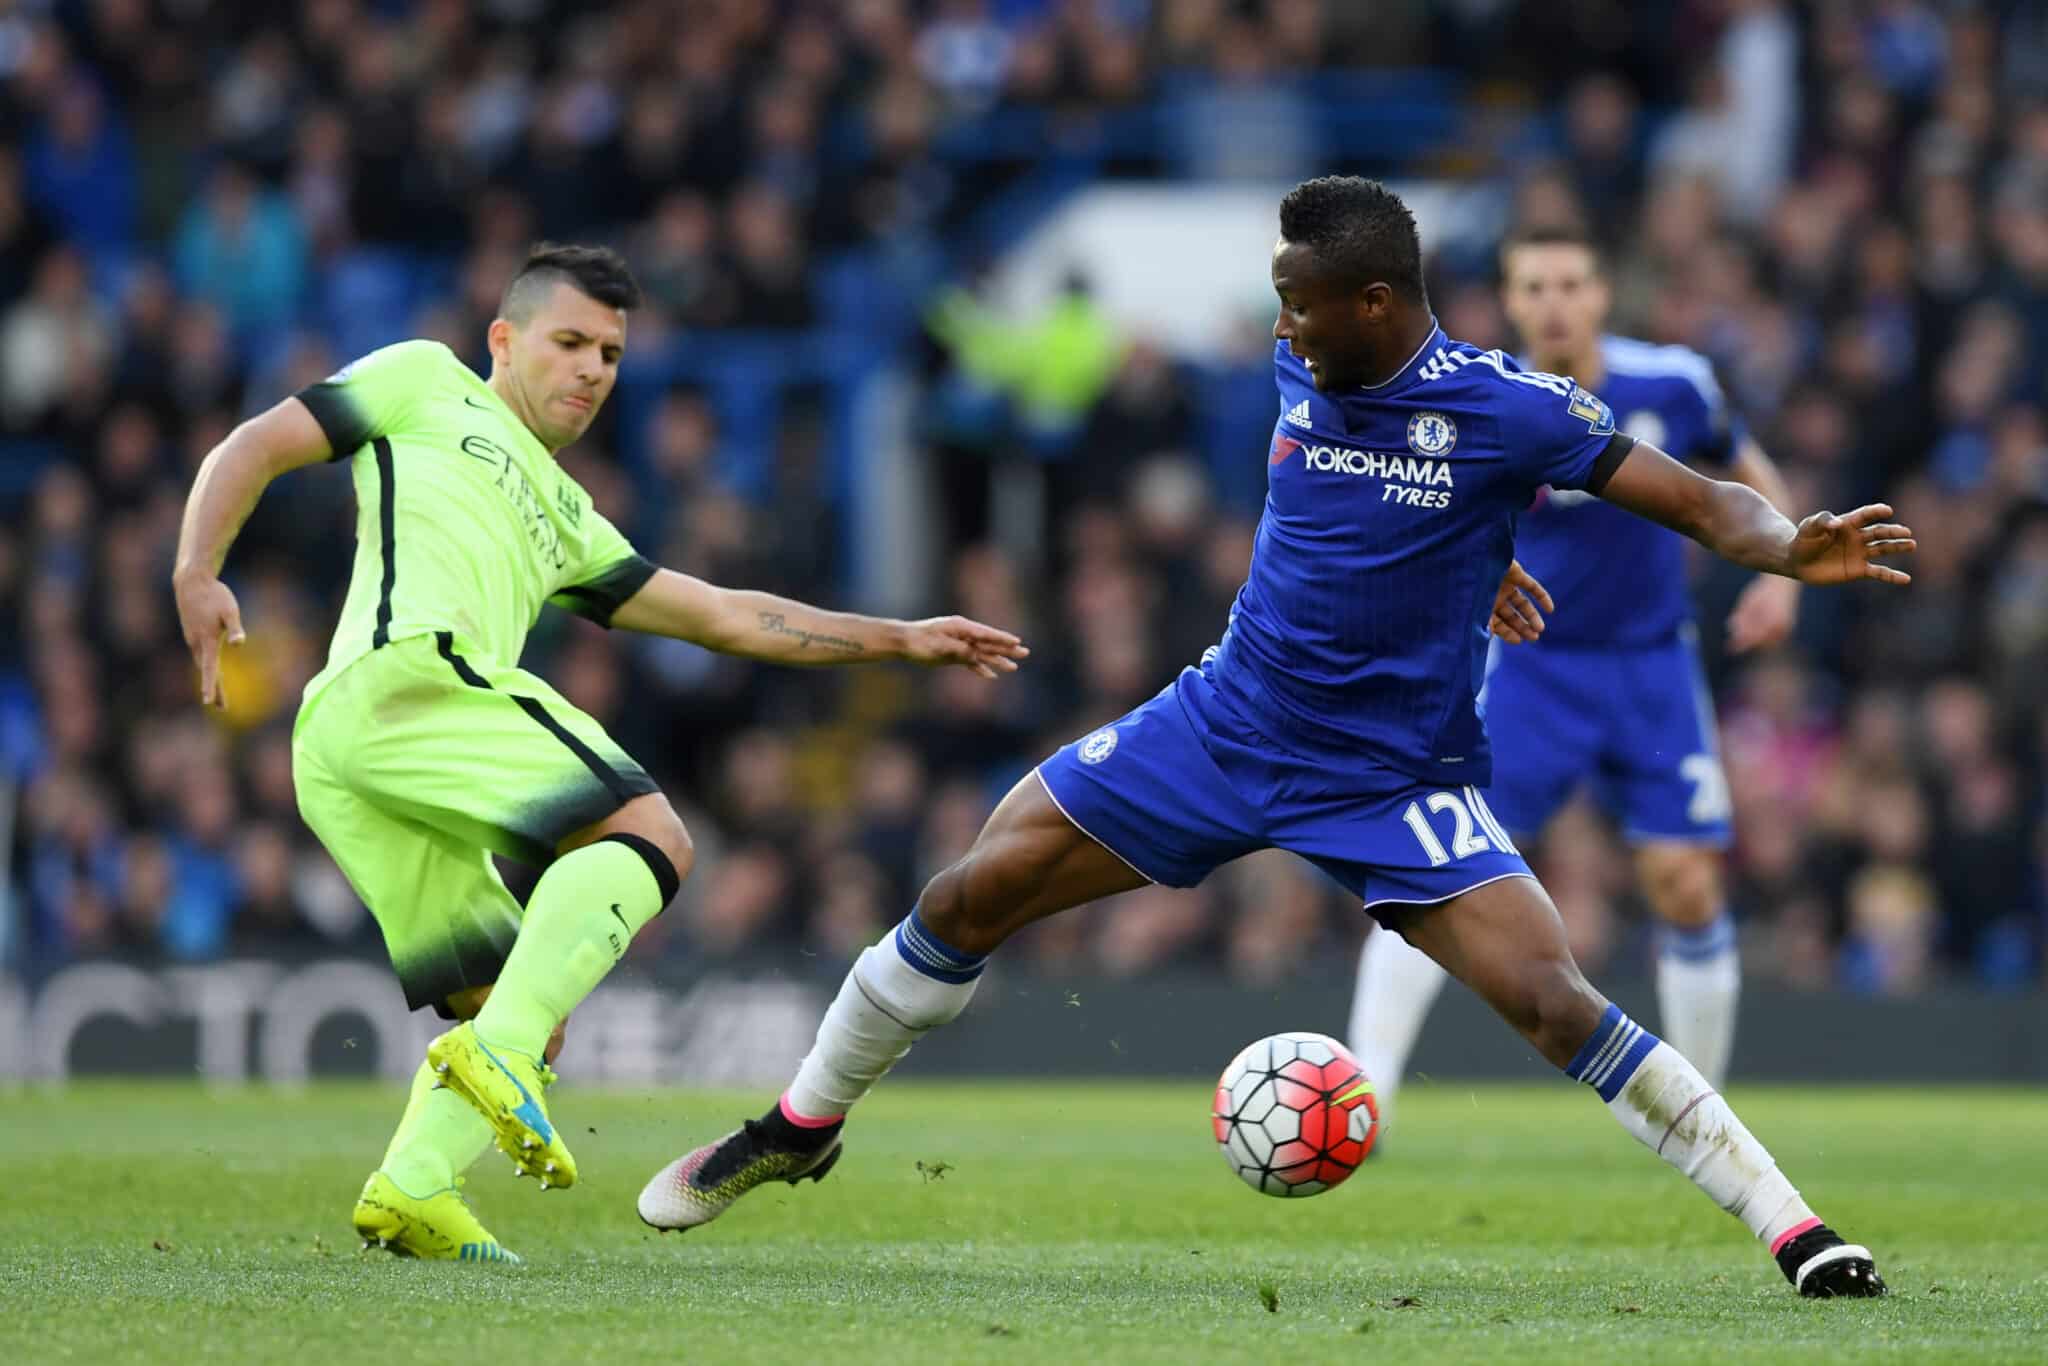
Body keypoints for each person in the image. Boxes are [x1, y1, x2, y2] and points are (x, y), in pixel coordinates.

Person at [637, 179, 1910, 1299]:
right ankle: (798, 1126)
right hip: (1226, 722)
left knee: (1550, 998)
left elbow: (1696, 498)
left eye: (1298, 303)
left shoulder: (1507, 408)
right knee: (970, 890)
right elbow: (1356, 523)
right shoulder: (1304, 360)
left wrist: (1783, 547)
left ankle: (1792, 1228)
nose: (1279, 326)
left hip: (1391, 773)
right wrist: (1469, 562)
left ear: (1371, 300)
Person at [171, 243, 1029, 1264]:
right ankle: (499, 1056)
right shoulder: (421, 379)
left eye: (612, 355)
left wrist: (896, 636)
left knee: (516, 994)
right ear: (503, 338)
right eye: (569, 341)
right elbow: (255, 445)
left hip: (353, 754)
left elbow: (723, 615)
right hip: (406, 681)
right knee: (651, 833)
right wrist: (196, 565)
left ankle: (412, 1187)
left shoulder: (569, 517)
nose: (592, 370)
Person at [1349, 224, 1801, 1113]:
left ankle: (1701, 1110)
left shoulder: (1671, 384)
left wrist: (1783, 575)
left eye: (1570, 284)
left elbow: (1743, 468)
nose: (1554, 303)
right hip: (1530, 671)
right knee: (1436, 864)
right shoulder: (1485, 402)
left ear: (1600, 294)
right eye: (1534, 288)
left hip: (1650, 669)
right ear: (1511, 303)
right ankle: (1371, 1086)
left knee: (1685, 880)